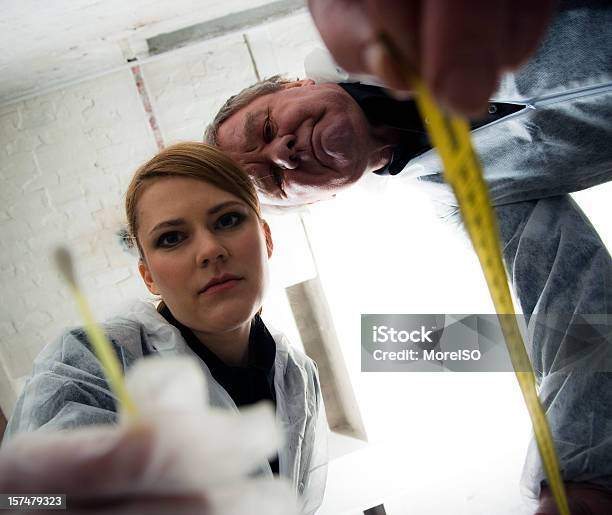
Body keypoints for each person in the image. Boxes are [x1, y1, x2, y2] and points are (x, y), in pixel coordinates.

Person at [204, 0, 612, 513]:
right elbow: (573, 313)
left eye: (265, 128)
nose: (282, 151)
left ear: (296, 86)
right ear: (317, 201)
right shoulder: (464, 197)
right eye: (276, 180)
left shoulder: (404, 25)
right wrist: (578, 479)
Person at [1, 143, 328, 514]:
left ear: (266, 238)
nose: (209, 250)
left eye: (227, 220)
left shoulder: (300, 378)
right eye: (171, 238)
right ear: (149, 277)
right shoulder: (91, 363)